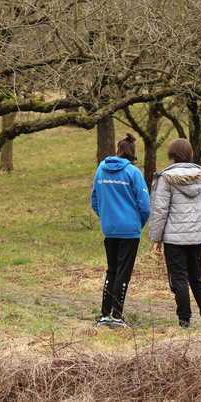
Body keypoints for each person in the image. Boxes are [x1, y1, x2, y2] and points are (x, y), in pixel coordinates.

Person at [149, 138, 201, 329]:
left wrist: (156, 238)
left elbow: (160, 211)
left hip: (174, 239)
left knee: (179, 278)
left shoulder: (166, 178)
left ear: (172, 155)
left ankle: (184, 321)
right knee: (196, 277)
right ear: (190, 153)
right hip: (196, 238)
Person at [90, 133, 150, 327]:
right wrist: (138, 224)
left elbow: (94, 200)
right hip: (129, 230)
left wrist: (106, 217)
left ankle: (104, 314)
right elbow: (145, 206)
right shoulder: (133, 173)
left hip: (109, 229)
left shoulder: (101, 169)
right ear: (132, 152)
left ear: (118, 150)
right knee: (123, 272)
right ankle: (117, 315)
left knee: (112, 270)